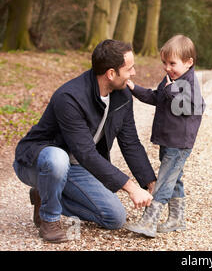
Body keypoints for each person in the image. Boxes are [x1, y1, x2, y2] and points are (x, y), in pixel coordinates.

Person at [13, 40, 157, 243]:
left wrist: (150, 183)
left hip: (77, 167)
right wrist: (132, 188)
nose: (133, 73)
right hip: (38, 161)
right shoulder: (70, 97)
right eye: (129, 68)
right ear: (111, 73)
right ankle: (49, 218)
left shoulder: (122, 95)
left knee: (114, 217)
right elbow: (86, 154)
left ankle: (44, 193)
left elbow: (130, 142)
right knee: (58, 158)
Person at [124, 35, 205, 238]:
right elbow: (157, 97)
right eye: (164, 63)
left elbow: (188, 108)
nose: (167, 67)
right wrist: (134, 89)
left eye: (172, 63)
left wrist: (170, 91)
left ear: (189, 63)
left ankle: (150, 221)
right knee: (174, 178)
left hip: (179, 143)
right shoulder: (173, 79)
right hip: (168, 140)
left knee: (165, 180)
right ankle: (177, 219)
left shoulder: (188, 84)